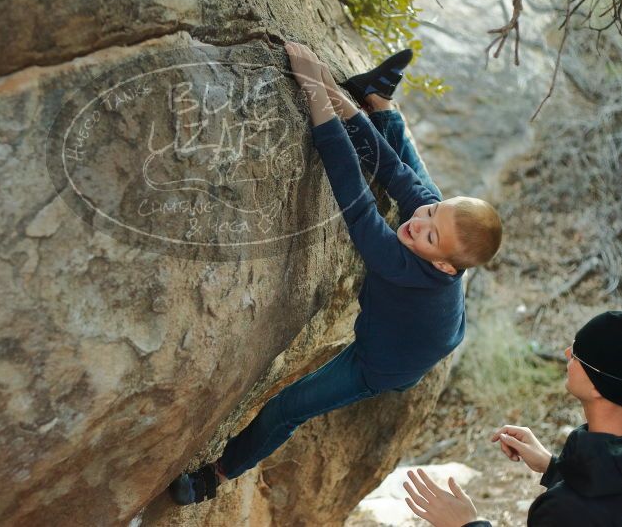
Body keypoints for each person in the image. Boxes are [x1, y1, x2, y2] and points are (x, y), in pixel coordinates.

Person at [169, 42, 503, 505]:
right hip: (433, 312)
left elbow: (356, 197)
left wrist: (315, 95)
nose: (417, 223)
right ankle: (377, 100)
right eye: (429, 217)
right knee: (421, 186)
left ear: (442, 264)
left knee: (286, 409)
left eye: (428, 235)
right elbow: (392, 171)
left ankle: (214, 477)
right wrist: (335, 91)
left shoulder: (402, 262)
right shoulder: (430, 231)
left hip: (384, 362)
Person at [403, 311, 622, 526]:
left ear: (598, 385)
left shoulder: (562, 510)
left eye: (576, 353)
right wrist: (553, 467)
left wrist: (467, 524)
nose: (566, 352)